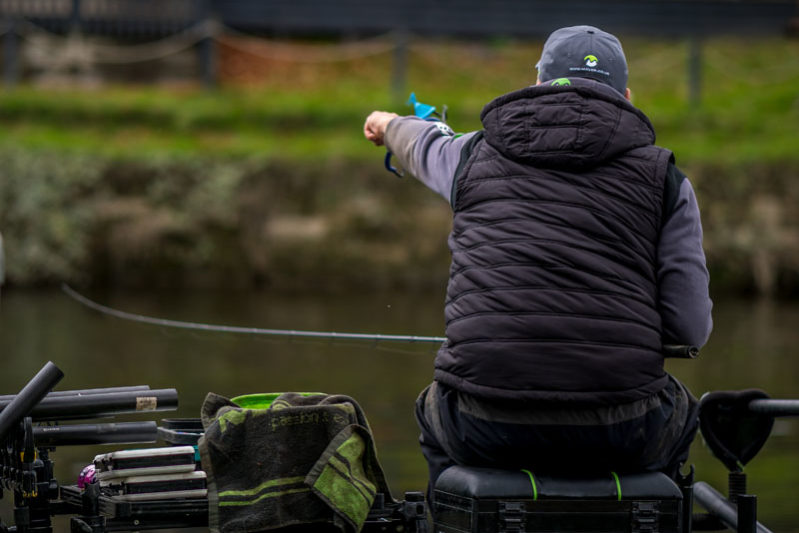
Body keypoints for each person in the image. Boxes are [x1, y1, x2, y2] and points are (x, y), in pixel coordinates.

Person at [363, 25, 712, 498]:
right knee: (681, 412)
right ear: (626, 96)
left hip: (481, 425)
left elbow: (423, 145)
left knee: (434, 406)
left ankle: (448, 516)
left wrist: (387, 125)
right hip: (624, 431)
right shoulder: (666, 179)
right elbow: (688, 329)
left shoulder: (473, 155)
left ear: (537, 85)